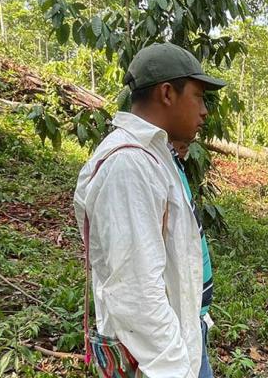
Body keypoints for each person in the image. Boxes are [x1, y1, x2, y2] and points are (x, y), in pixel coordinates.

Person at [73, 42, 225, 378]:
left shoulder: (155, 155)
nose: (204, 111)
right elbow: (135, 292)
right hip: (159, 361)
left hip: (183, 337)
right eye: (198, 96)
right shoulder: (129, 166)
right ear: (167, 93)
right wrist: (175, 368)